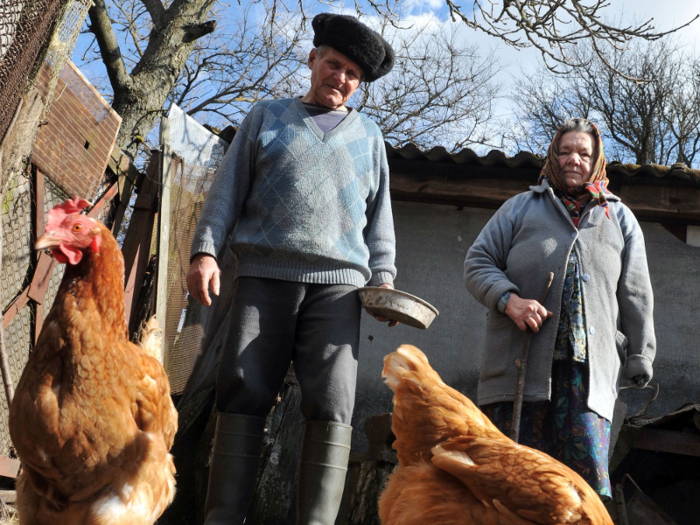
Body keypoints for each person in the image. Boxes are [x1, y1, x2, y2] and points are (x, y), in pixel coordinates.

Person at [185, 13, 397, 525]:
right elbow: (226, 192)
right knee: (243, 388)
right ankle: (222, 517)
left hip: (339, 289)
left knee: (333, 400)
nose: (341, 78)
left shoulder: (369, 136)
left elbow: (380, 219)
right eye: (334, 64)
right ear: (313, 60)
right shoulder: (267, 117)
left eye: (352, 75)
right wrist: (206, 251)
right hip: (264, 277)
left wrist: (384, 278)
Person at [463, 118, 656, 501]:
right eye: (565, 151)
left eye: (584, 153)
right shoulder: (520, 208)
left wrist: (640, 354)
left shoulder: (618, 217)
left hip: (587, 377)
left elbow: (636, 293)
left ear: (597, 160)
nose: (574, 160)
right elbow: (477, 261)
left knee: (582, 490)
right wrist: (509, 300)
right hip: (519, 365)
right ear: (553, 156)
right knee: (513, 484)